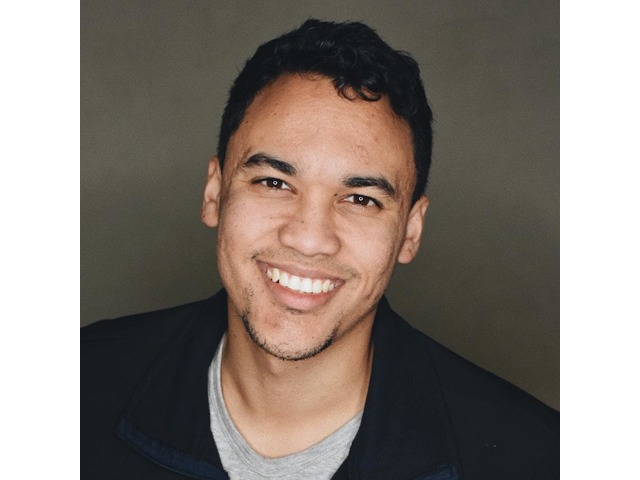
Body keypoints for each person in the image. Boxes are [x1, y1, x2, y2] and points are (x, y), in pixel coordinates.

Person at [81, 19, 559, 479]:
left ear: (411, 231)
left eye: (360, 199)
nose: (309, 239)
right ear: (214, 192)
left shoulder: (537, 461)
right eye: (274, 182)